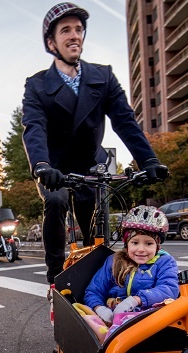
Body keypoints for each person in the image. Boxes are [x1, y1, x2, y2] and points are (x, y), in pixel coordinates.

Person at [22, 3, 170, 291]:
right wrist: (41, 166)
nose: (74, 35)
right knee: (55, 201)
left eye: (79, 29)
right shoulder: (38, 85)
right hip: (54, 167)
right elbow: (34, 127)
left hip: (91, 164)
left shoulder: (102, 76)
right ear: (52, 43)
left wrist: (148, 160)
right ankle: (54, 273)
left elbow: (125, 121)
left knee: (95, 227)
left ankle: (97, 276)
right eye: (66, 30)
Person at [83, 206, 179, 325]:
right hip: (114, 318)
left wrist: (136, 300)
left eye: (149, 243)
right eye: (135, 242)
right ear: (127, 244)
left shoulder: (164, 262)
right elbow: (94, 290)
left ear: (157, 246)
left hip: (150, 319)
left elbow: (169, 289)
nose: (141, 249)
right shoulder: (114, 261)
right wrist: (99, 308)